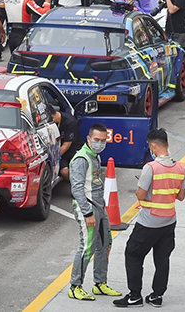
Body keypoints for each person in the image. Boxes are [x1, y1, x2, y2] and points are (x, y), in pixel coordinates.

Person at [114, 128, 185, 309]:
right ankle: (157, 296)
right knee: (162, 258)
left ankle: (135, 296)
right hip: (169, 220)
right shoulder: (180, 167)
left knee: (133, 253)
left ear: (153, 146)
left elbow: (140, 194)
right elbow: (181, 196)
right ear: (167, 145)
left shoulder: (150, 168)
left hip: (149, 221)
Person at [68, 123, 120, 301]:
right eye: (97, 140)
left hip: (99, 207)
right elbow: (76, 189)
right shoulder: (82, 159)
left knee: (105, 245)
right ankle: (75, 286)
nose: (100, 143)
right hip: (88, 209)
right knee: (86, 248)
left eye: (103, 140)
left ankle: (100, 283)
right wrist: (87, 213)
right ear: (89, 139)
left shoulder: (95, 155)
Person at [49, 105, 82, 182]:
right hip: (59, 152)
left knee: (74, 170)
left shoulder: (70, 122)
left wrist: (53, 159)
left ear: (52, 117)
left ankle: (77, 184)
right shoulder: (53, 124)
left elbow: (66, 145)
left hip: (72, 150)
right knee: (64, 171)